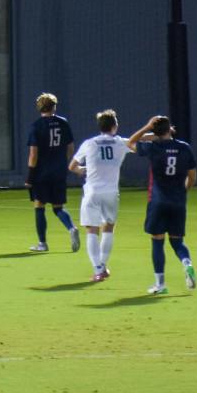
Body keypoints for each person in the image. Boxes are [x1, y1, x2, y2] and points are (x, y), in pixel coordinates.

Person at [127, 116, 197, 295]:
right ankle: (187, 263)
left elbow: (130, 143)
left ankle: (160, 284)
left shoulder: (153, 147)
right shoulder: (184, 148)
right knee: (177, 242)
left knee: (157, 242)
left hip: (158, 201)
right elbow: (192, 177)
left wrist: (146, 127)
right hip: (178, 201)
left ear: (155, 131)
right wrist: (184, 190)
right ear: (170, 129)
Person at [68, 110, 126, 283]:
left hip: (92, 192)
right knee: (108, 227)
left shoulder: (89, 143)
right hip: (111, 192)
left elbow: (72, 166)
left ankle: (98, 269)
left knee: (92, 230)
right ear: (114, 126)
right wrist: (159, 133)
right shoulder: (120, 142)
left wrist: (82, 170)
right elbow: (140, 139)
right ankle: (103, 265)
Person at [24, 92, 78, 252]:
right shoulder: (63, 123)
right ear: (54, 107)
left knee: (39, 205)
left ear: (39, 107)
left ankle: (42, 243)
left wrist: (30, 176)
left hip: (42, 172)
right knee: (58, 207)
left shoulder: (36, 126)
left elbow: (33, 154)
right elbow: (70, 148)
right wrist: (61, 162)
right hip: (59, 171)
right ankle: (71, 228)